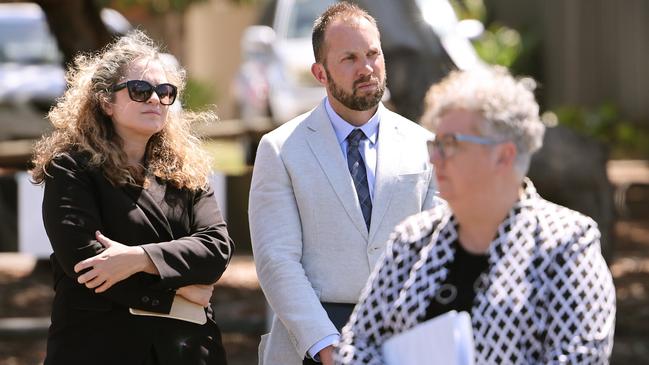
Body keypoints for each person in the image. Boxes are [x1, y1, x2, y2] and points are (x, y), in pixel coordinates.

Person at [335, 66, 616, 364]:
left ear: (504, 156)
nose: (434, 157)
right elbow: (357, 344)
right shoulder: (411, 239)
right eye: (435, 143)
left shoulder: (567, 244)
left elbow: (580, 359)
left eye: (450, 144)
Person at [30, 30, 234, 365]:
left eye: (165, 92)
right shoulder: (70, 168)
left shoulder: (188, 170)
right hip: (99, 349)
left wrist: (139, 258)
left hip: (189, 352)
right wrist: (180, 295)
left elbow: (216, 249)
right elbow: (86, 264)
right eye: (140, 90)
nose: (155, 99)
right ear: (106, 101)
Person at [248, 3, 436, 365]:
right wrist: (326, 346)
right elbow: (277, 260)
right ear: (320, 73)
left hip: (406, 340)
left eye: (373, 54)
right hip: (311, 343)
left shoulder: (426, 145)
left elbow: (439, 249)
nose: (366, 68)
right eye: (349, 58)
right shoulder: (281, 148)